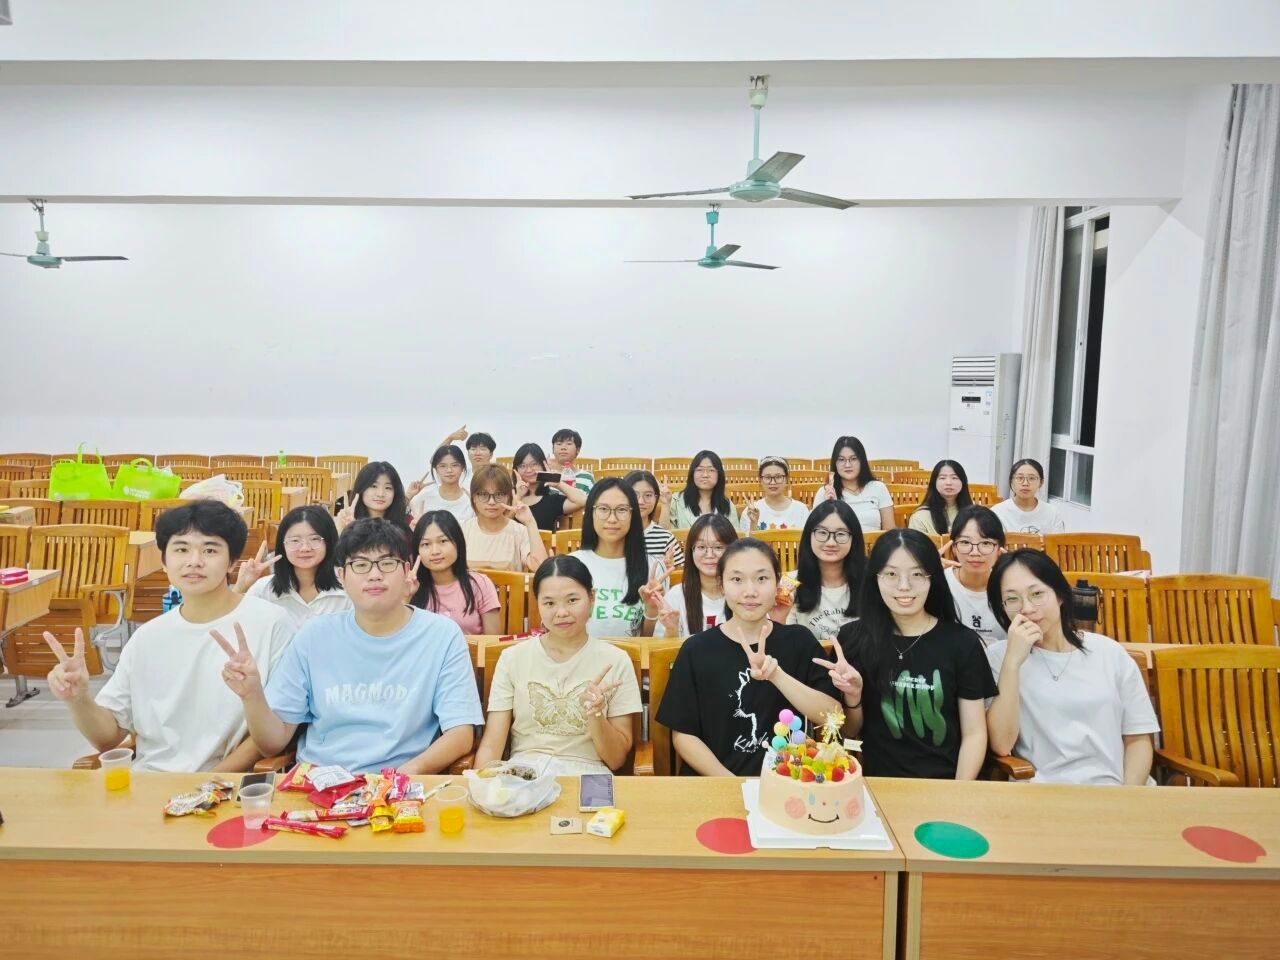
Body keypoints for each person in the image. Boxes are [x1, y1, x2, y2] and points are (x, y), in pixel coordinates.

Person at [215, 518, 484, 774]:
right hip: (316, 785)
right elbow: (273, 743)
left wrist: (403, 775)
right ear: (342, 576)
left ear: (406, 571)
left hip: (399, 787)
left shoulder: (441, 635)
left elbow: (461, 733)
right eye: (360, 565)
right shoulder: (313, 637)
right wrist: (253, 696)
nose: (375, 575)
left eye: (387, 563)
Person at [45, 501, 293, 772]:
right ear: (163, 561)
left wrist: (201, 786)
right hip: (147, 782)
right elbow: (108, 738)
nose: (194, 561)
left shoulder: (271, 623)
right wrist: (79, 698)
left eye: (210, 550)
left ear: (232, 562)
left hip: (221, 786)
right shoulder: (147, 637)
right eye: (181, 549)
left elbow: (271, 734)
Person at [656, 538, 841, 776]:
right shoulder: (696, 649)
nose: (750, 591)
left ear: (777, 584)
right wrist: (731, 783)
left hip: (787, 783)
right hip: (716, 784)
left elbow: (833, 715)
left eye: (762, 578)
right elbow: (683, 735)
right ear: (721, 585)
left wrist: (777, 676)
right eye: (737, 579)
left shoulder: (799, 641)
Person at [824, 529, 995, 779]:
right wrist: (854, 696)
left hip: (947, 783)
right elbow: (849, 732)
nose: (904, 586)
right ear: (875, 578)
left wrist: (957, 792)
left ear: (932, 578)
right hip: (876, 786)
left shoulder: (962, 643)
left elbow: (975, 734)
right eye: (891, 574)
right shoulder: (853, 639)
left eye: (917, 574)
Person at [984, 550, 1157, 785]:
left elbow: (1138, 738)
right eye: (1012, 599)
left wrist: (1128, 796)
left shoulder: (1109, 652)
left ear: (1060, 595)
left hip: (1117, 792)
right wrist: (1012, 663)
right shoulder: (998, 657)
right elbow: (1001, 745)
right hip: (1044, 795)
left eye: (1037, 594)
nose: (1027, 608)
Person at [474, 555, 643, 776]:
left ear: (591, 598)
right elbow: (491, 746)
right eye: (549, 603)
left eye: (572, 600)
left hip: (589, 774)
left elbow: (617, 759)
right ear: (538, 604)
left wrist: (596, 714)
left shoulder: (616, 661)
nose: (561, 612)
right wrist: (479, 786)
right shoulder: (512, 658)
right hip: (526, 773)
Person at [568, 478, 663, 638]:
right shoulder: (572, 565)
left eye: (622, 510)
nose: (612, 519)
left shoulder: (653, 568)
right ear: (591, 513)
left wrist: (651, 611)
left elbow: (649, 642)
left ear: (633, 515)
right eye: (603, 509)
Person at [234, 505, 351, 629]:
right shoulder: (264, 589)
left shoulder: (348, 588)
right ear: (283, 545)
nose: (305, 548)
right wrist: (240, 587)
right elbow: (232, 625)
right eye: (295, 540)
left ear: (329, 542)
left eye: (314, 539)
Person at [408, 510, 501, 634]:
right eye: (426, 544)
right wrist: (405, 597)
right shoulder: (410, 587)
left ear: (458, 543)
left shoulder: (480, 584)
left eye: (443, 541)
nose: (435, 551)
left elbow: (492, 640)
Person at [785, 500, 865, 640]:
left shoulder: (871, 581)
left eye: (841, 534)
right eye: (822, 532)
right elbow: (784, 641)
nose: (831, 542)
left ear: (854, 538)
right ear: (808, 535)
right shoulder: (789, 583)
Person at [655, 514, 737, 637]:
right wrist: (672, 630)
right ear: (691, 551)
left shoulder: (744, 594)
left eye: (718, 547)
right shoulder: (676, 596)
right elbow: (662, 648)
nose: (709, 554)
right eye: (701, 547)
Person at [460, 464, 548, 572]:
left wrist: (530, 522)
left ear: (508, 497)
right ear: (474, 497)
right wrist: (493, 566)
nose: (491, 502)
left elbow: (539, 568)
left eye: (499, 495)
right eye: (483, 494)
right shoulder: (463, 529)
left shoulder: (519, 531)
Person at [941, 505, 1007, 646]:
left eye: (986, 543)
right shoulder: (939, 582)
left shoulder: (1011, 585)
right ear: (954, 548)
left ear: (999, 549)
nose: (975, 552)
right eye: (965, 542)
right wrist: (924, 571)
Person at [813, 436, 895, 532]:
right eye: (841, 459)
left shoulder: (878, 488)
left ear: (862, 461)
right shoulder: (825, 492)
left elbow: (890, 532)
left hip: (873, 542)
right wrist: (829, 506)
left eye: (853, 459)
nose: (847, 465)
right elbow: (817, 533)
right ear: (835, 463)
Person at [512, 441, 587, 532]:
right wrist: (518, 497)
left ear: (543, 466)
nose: (529, 470)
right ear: (516, 469)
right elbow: (502, 523)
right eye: (522, 466)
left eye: (534, 464)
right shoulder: (509, 495)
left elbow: (583, 500)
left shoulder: (551, 498)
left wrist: (558, 484)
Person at [624, 469, 683, 569]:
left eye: (648, 495)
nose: (641, 501)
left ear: (656, 498)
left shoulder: (666, 538)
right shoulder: (613, 534)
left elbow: (681, 574)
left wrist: (669, 570)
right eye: (634, 494)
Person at [991, 458, 1066, 535]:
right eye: (1020, 478)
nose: (1025, 483)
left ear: (1041, 483)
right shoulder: (997, 512)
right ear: (1011, 481)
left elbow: (1058, 541)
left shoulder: (1052, 513)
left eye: (1032, 478)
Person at [668, 450, 739, 530]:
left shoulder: (727, 505)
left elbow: (736, 536)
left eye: (711, 470)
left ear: (719, 475)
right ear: (692, 473)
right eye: (699, 470)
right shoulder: (676, 500)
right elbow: (664, 534)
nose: (705, 475)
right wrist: (665, 505)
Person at [337, 461, 412, 533]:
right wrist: (347, 531)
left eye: (388, 487)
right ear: (361, 488)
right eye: (374, 486)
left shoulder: (407, 523)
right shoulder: (348, 520)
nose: (380, 494)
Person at [407, 445, 475, 525]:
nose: (449, 470)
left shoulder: (471, 498)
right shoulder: (425, 496)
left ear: (462, 467)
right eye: (443, 466)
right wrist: (408, 495)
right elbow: (397, 514)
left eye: (454, 465)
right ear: (436, 469)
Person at [741, 456, 809, 533]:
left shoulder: (801, 510)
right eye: (767, 477)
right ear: (760, 480)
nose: (773, 482)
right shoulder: (750, 512)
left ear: (786, 479)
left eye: (778, 477)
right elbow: (746, 540)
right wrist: (753, 524)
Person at [909, 460, 974, 537]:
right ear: (934, 483)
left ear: (963, 482)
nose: (948, 482)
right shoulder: (920, 517)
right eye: (942, 478)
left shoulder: (974, 513)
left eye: (954, 478)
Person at [551, 427, 594, 494]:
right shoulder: (547, 476)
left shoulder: (587, 477)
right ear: (553, 449)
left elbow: (592, 500)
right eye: (559, 444)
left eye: (569, 444)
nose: (563, 447)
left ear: (578, 450)